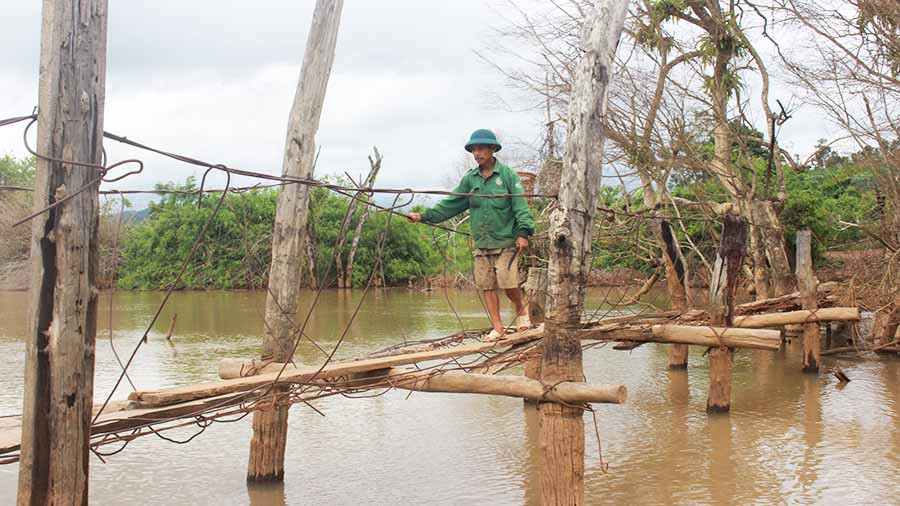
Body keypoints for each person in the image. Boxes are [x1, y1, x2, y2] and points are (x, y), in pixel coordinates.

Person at [408, 129, 535, 340]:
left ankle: (521, 309)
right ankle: (498, 328)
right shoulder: (470, 180)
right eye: (474, 149)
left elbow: (520, 205)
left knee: (508, 282)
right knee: (486, 285)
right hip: (482, 242)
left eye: (482, 148)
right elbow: (451, 204)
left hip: (506, 241)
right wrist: (423, 216)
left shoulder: (507, 176)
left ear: (493, 149)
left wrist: (523, 232)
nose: (477, 153)